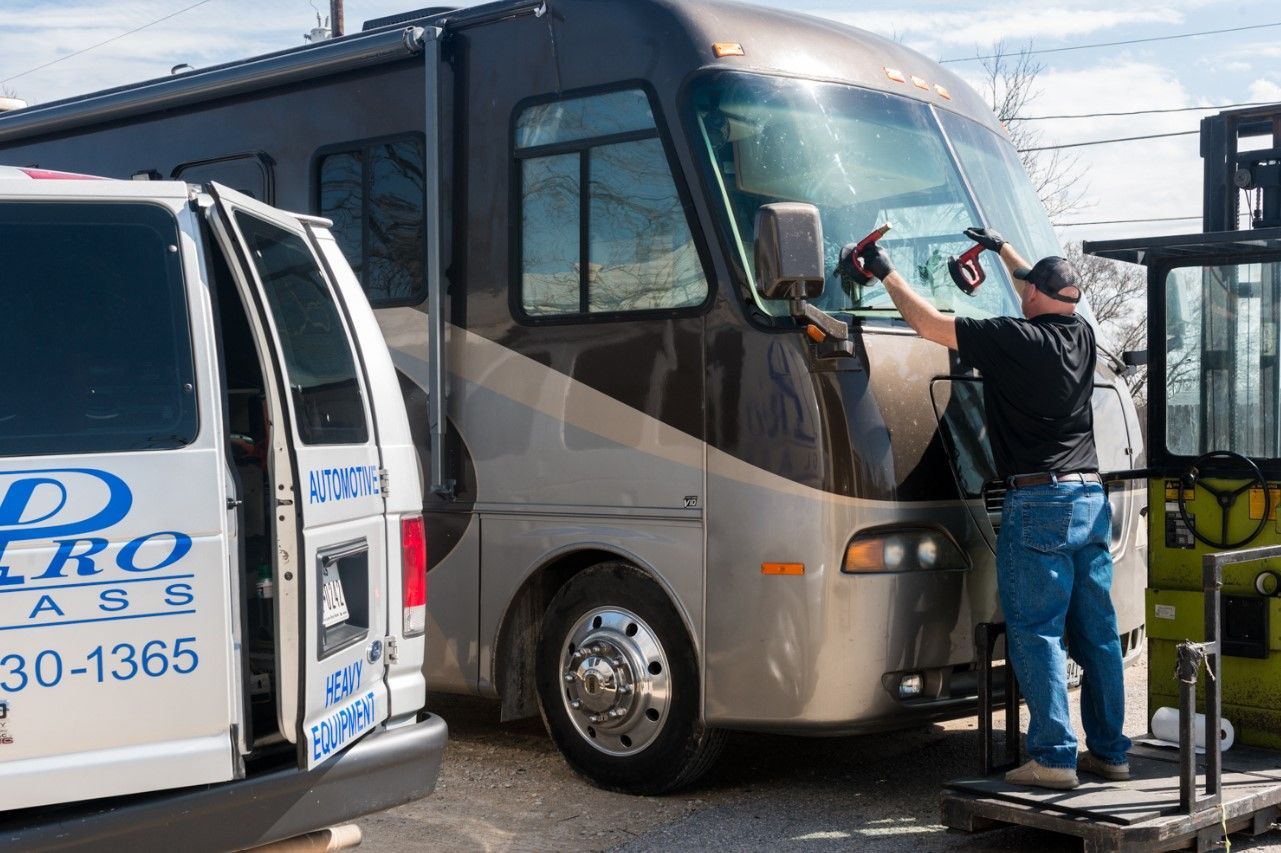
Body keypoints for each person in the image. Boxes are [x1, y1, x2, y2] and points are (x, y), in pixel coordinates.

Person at [855, 227, 1131, 791]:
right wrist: (1004, 248)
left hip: (1041, 502)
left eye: (1026, 286)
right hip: (1089, 499)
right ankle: (1110, 753)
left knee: (1039, 633)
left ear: (1032, 298)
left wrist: (883, 270)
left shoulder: (1014, 338)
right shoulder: (1080, 333)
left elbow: (929, 325)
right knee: (1098, 634)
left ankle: (1053, 758)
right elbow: (1043, 284)